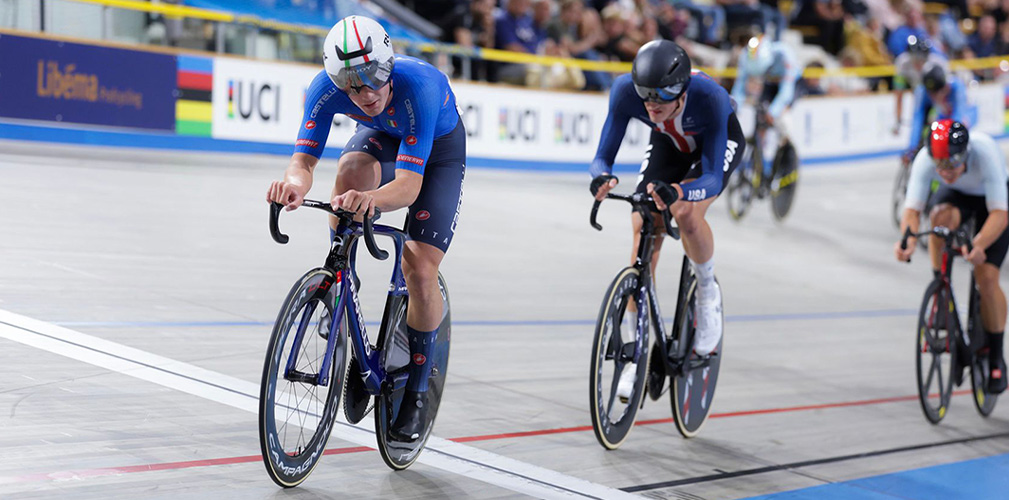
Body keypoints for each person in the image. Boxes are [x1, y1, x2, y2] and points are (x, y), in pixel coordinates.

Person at [266, 16, 466, 441]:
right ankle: (344, 282)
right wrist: (294, 187)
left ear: (388, 64)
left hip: (440, 151)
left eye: (372, 77)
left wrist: (372, 201)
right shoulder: (324, 89)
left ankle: (415, 390)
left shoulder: (421, 87)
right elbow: (303, 162)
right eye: (350, 85)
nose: (365, 93)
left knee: (419, 269)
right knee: (350, 171)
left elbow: (410, 187)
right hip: (382, 136)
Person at [589, 40, 745, 399]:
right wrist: (602, 177)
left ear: (681, 90)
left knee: (685, 212)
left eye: (661, 97)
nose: (651, 104)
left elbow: (710, 178)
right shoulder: (626, 92)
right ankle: (632, 355)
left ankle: (707, 293)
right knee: (643, 223)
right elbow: (602, 157)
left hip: (713, 147)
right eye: (646, 96)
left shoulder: (710, 97)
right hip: (669, 145)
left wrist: (682, 192)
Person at [895, 120, 1008, 394]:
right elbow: (911, 211)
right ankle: (941, 286)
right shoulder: (926, 159)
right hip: (958, 196)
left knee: (987, 277)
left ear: (966, 153)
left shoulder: (985, 153)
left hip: (992, 202)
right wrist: (907, 240)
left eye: (952, 164)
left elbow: (1000, 215)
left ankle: (995, 356)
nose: (945, 172)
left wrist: (979, 244)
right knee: (937, 221)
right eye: (940, 165)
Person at [730, 35, 799, 170]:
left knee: (782, 118)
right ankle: (759, 161)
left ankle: (785, 152)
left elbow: (786, 91)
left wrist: (774, 111)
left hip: (789, 82)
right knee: (760, 119)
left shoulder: (785, 54)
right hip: (768, 82)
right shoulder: (745, 55)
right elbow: (740, 86)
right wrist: (733, 108)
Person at [904, 62, 975, 159]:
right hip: (942, 113)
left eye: (940, 92)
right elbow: (917, 118)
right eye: (932, 93)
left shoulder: (957, 86)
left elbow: (959, 115)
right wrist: (912, 147)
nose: (937, 96)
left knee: (963, 124)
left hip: (965, 113)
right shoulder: (921, 90)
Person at [891, 35, 948, 137]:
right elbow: (898, 93)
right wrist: (898, 119)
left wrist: (935, 112)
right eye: (916, 59)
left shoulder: (938, 63)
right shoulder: (902, 63)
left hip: (935, 93)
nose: (919, 64)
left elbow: (943, 92)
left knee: (933, 123)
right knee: (917, 121)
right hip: (920, 92)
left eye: (922, 60)